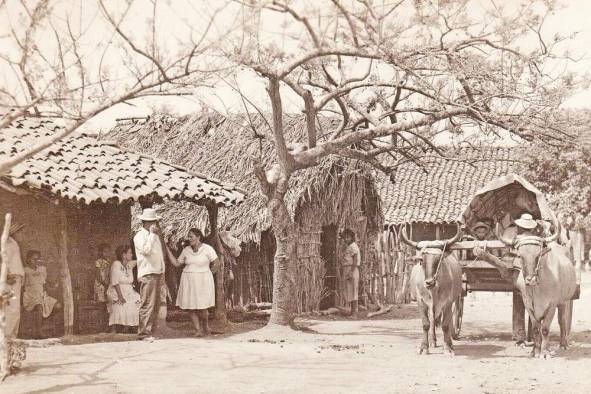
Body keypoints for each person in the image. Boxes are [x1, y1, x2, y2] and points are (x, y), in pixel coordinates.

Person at [169, 228, 218, 337]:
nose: (189, 238)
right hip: (188, 280)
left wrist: (208, 274)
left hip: (203, 281)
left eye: (191, 236)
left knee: (203, 307)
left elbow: (216, 263)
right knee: (190, 306)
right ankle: (198, 330)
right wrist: (167, 251)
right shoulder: (186, 250)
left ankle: (205, 326)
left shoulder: (207, 249)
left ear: (198, 237)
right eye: (188, 236)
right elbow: (177, 263)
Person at [133, 208, 172, 341]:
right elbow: (146, 251)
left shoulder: (155, 236)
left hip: (157, 272)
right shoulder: (139, 236)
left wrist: (162, 271)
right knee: (147, 303)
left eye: (155, 221)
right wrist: (151, 235)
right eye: (152, 222)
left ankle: (151, 331)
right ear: (146, 223)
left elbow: (159, 255)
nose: (155, 224)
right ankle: (143, 333)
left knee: (155, 304)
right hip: (148, 273)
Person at [22, 250, 59, 339]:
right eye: (33, 259)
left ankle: (45, 324)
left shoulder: (42, 269)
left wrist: (52, 287)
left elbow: (44, 283)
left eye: (38, 259)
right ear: (28, 259)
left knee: (58, 305)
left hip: (42, 294)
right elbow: (22, 286)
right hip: (30, 296)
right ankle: (39, 332)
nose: (36, 261)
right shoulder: (25, 271)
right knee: (39, 306)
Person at [106, 245, 140, 333]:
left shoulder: (129, 264)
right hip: (117, 291)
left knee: (137, 300)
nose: (132, 254)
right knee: (122, 303)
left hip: (129, 291)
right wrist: (120, 297)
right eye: (130, 253)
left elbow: (141, 260)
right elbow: (115, 282)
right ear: (123, 255)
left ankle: (128, 326)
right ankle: (114, 328)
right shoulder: (116, 264)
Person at [5, 222, 25, 339]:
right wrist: (7, 275)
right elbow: (3, 259)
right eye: (20, 231)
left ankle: (12, 336)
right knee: (12, 308)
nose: (22, 234)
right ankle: (7, 336)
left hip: (15, 278)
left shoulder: (14, 243)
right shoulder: (8, 243)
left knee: (14, 309)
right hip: (11, 278)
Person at [340, 228, 361, 317]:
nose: (346, 239)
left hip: (351, 269)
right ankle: (352, 312)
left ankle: (354, 313)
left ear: (352, 238)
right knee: (350, 291)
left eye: (348, 237)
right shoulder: (349, 246)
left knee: (353, 291)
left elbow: (355, 260)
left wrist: (351, 272)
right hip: (348, 269)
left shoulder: (353, 246)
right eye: (345, 237)